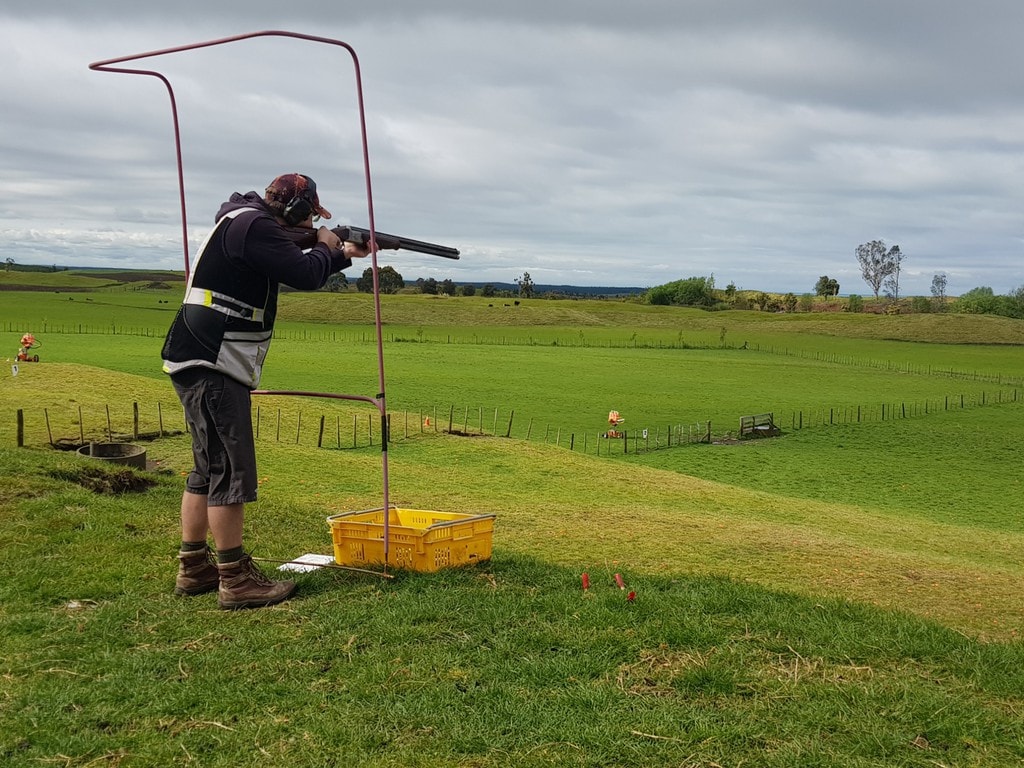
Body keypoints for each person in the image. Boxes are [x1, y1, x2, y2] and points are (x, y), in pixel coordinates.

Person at [161, 173, 368, 609]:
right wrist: (330, 246)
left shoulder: (243, 220)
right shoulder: (254, 226)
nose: (311, 220)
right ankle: (235, 579)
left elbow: (294, 261)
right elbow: (305, 274)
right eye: (309, 212)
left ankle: (194, 566)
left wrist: (340, 253)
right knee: (230, 473)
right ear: (294, 210)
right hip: (214, 360)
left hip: (201, 356)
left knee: (207, 468)